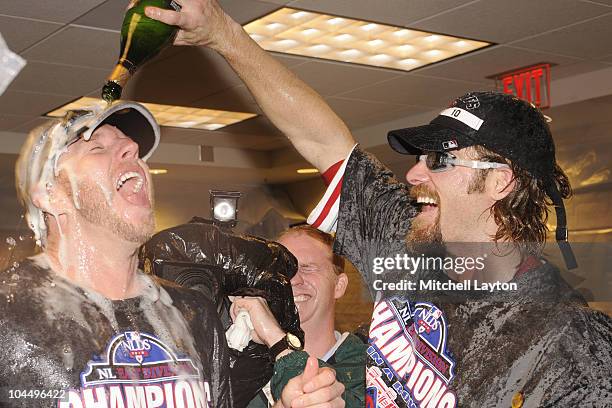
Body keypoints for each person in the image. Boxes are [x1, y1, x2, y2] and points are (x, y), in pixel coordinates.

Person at [146, 1, 612, 406]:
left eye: (440, 160)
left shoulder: (569, 341)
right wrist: (225, 34)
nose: (414, 173)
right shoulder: (405, 247)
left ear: (501, 183)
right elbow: (323, 141)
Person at [1, 102, 345, 408]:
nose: (132, 148)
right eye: (96, 147)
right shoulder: (10, 313)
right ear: (50, 194)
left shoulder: (190, 311)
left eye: (132, 149)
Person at [234, 225, 366, 407]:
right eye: (282, 270)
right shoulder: (239, 370)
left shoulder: (372, 371)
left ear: (339, 285)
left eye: (308, 268)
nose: (293, 280)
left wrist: (276, 340)